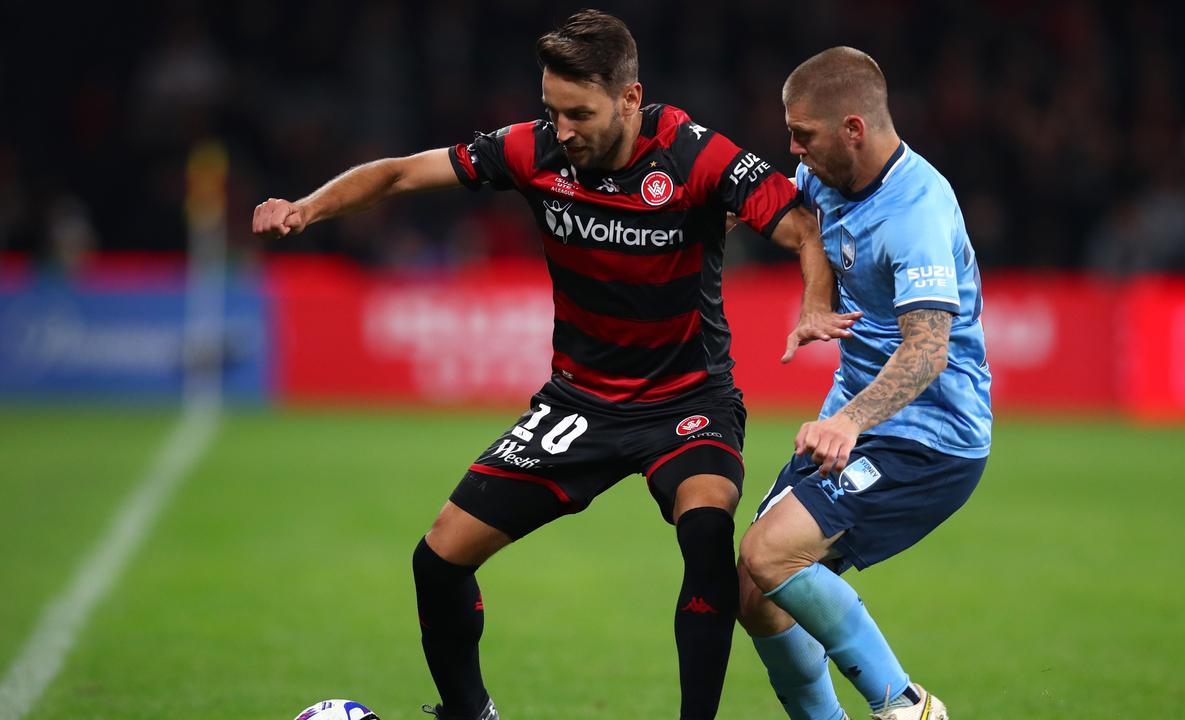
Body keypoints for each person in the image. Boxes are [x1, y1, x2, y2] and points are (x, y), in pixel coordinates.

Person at [252, 11, 854, 720]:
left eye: (579, 113)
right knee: (438, 558)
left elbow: (800, 224)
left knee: (707, 531)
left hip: (687, 401)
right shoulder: (533, 151)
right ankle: (470, 713)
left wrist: (816, 305)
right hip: (578, 405)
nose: (562, 129)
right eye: (551, 110)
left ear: (630, 100)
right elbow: (397, 176)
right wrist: (305, 208)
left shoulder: (695, 155)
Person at [737, 47, 992, 720]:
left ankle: (907, 707)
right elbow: (808, 224)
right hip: (863, 423)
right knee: (754, 592)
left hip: (931, 437)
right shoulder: (827, 173)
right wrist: (815, 294)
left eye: (804, 136)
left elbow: (928, 349)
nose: (792, 149)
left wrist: (848, 420)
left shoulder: (917, 212)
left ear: (854, 128)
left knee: (770, 552)